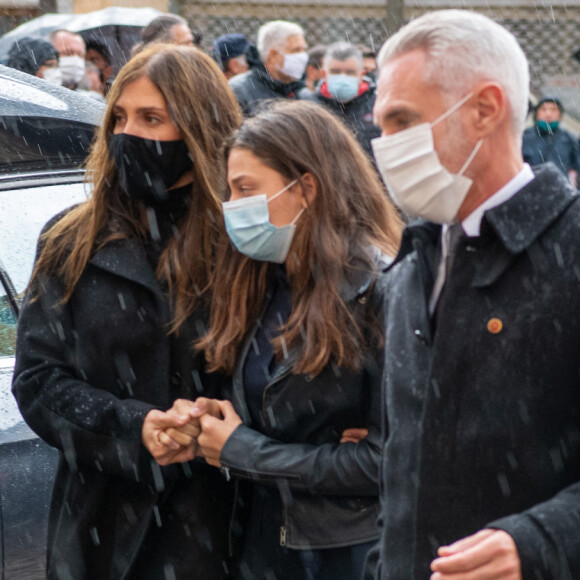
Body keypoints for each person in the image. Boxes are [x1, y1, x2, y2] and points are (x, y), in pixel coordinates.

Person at [12, 44, 242, 580]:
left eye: (152, 118)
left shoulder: (245, 241)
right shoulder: (72, 238)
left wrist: (213, 425)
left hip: (224, 519)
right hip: (102, 522)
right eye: (119, 116)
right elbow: (39, 380)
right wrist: (136, 427)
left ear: (199, 129)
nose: (127, 132)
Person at [367, 9, 580, 580]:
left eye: (401, 121)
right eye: (380, 125)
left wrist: (541, 543)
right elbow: (399, 457)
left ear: (485, 109)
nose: (382, 146)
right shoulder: (415, 262)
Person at [166, 100, 402, 580]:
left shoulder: (378, 289)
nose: (231, 205)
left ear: (307, 188)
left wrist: (243, 450)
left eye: (245, 189)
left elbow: (387, 460)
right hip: (263, 542)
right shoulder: (262, 280)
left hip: (347, 554)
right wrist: (213, 420)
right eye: (229, 190)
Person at [229, 20, 315, 115]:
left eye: (303, 50)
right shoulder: (240, 91)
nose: (303, 56)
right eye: (296, 50)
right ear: (273, 55)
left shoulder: (303, 94)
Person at [315, 41, 380, 157]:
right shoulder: (311, 105)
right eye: (336, 72)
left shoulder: (378, 105)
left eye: (350, 72)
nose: (342, 77)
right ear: (324, 74)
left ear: (361, 75)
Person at [522, 96, 580, 185]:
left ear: (559, 114)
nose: (548, 113)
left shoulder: (569, 139)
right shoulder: (524, 137)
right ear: (537, 113)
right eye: (544, 109)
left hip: (559, 191)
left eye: (553, 110)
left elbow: (577, 166)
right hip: (528, 189)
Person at [131, 14, 201, 56]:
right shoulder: (147, 75)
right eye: (186, 43)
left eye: (191, 42)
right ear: (161, 45)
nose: (193, 48)